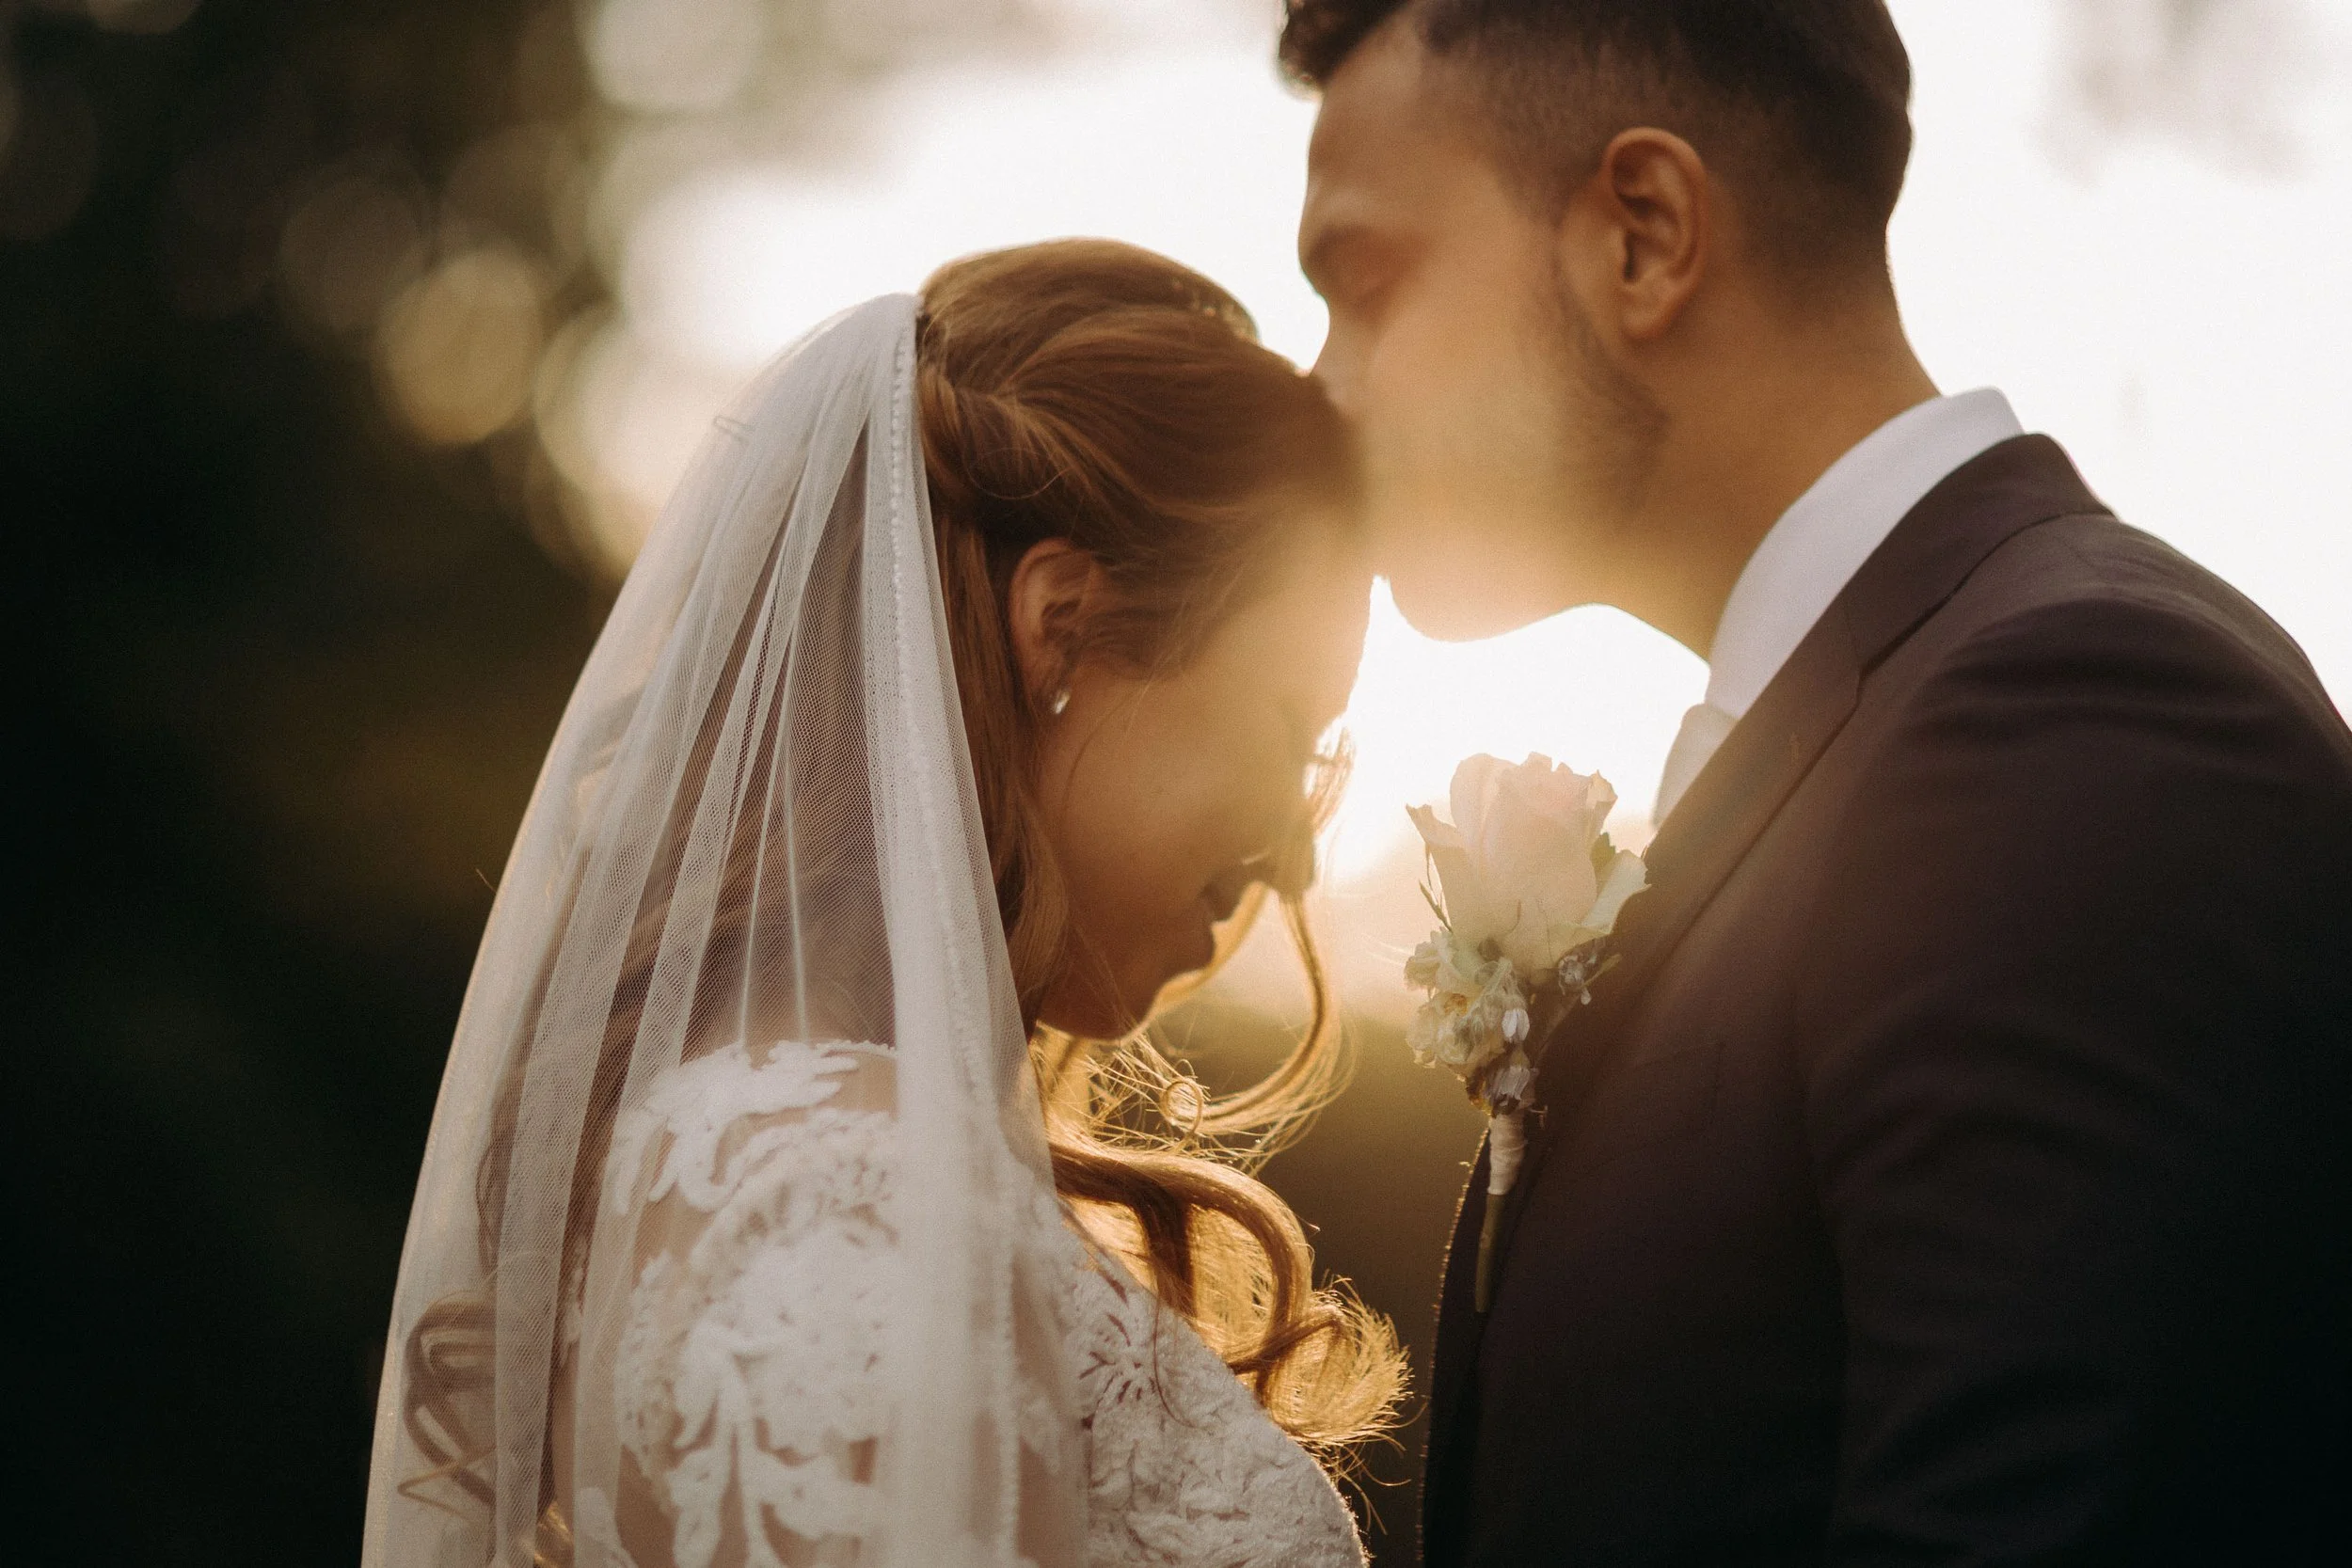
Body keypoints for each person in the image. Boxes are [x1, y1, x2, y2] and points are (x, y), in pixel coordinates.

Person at [1282, 2, 2352, 1564]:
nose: (1331, 385)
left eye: (1365, 286)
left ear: (1643, 235)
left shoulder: (2073, 726)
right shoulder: (1871, 742)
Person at [360, 240, 1404, 1568]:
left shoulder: (783, 1138)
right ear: (1065, 623)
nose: (1295, 860)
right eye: (1291, 722)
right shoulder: (844, 1189)